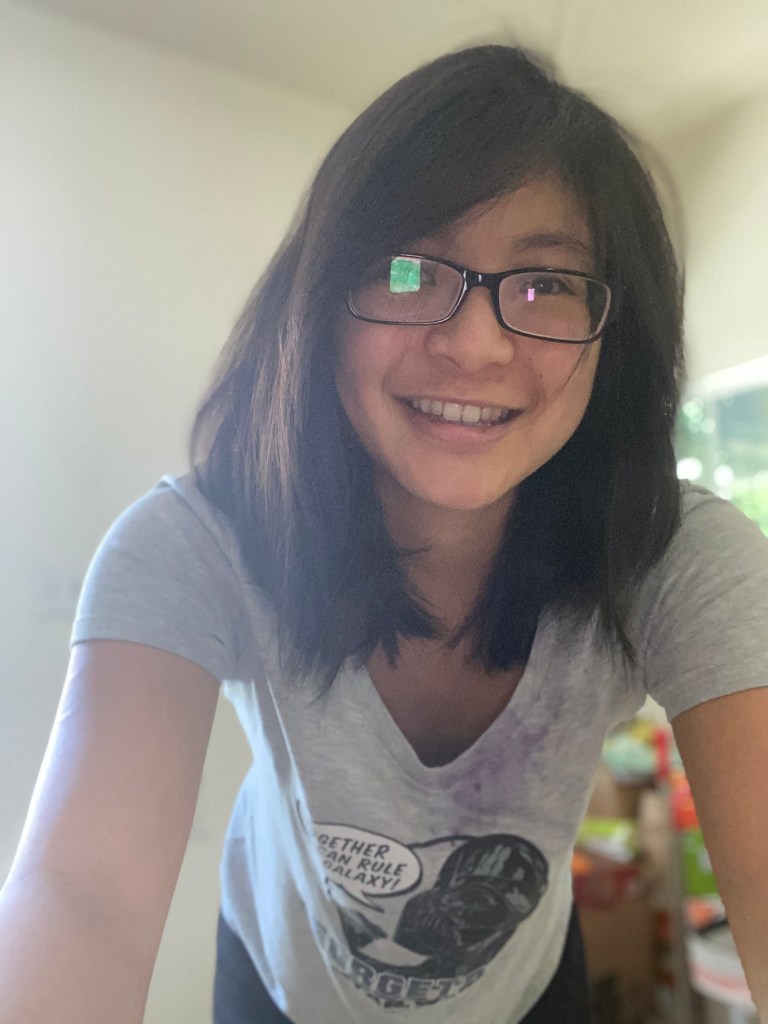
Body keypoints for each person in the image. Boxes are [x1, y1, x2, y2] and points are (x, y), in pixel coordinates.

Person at [1, 43, 767, 1024]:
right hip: (278, 982)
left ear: (614, 342)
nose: (476, 343)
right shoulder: (194, 543)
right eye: (408, 268)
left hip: (529, 985)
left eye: (546, 284)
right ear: (320, 306)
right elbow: (83, 896)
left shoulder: (674, 555)